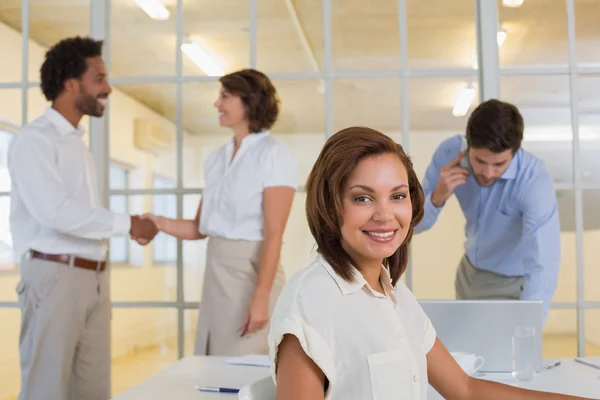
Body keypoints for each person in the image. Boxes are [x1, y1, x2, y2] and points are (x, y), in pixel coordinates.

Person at [268, 126, 592, 400]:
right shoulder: (311, 302)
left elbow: (465, 389)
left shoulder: (395, 295)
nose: (385, 215)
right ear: (329, 204)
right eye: (362, 197)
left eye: (397, 196)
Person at [8, 36, 158, 400]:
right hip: (55, 277)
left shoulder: (76, 143)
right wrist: (127, 224)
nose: (107, 88)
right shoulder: (34, 140)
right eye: (99, 78)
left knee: (93, 390)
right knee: (47, 389)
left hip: (93, 278)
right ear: (70, 83)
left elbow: (80, 215)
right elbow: (54, 211)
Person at [143, 68, 299, 356]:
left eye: (225, 97)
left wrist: (261, 297)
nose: (217, 104)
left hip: (251, 273)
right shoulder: (216, 159)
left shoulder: (275, 156)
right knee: (212, 363)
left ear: (250, 101)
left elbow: (274, 234)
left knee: (244, 367)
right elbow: (201, 227)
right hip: (216, 272)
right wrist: (158, 222)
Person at [414, 99, 560, 320]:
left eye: (500, 164)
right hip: (468, 274)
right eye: (480, 161)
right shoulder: (450, 154)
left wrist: (528, 329)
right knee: (463, 351)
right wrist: (437, 196)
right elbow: (413, 226)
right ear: (467, 145)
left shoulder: (534, 181)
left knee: (502, 352)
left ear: (515, 153)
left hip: (511, 285)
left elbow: (542, 264)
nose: (488, 172)